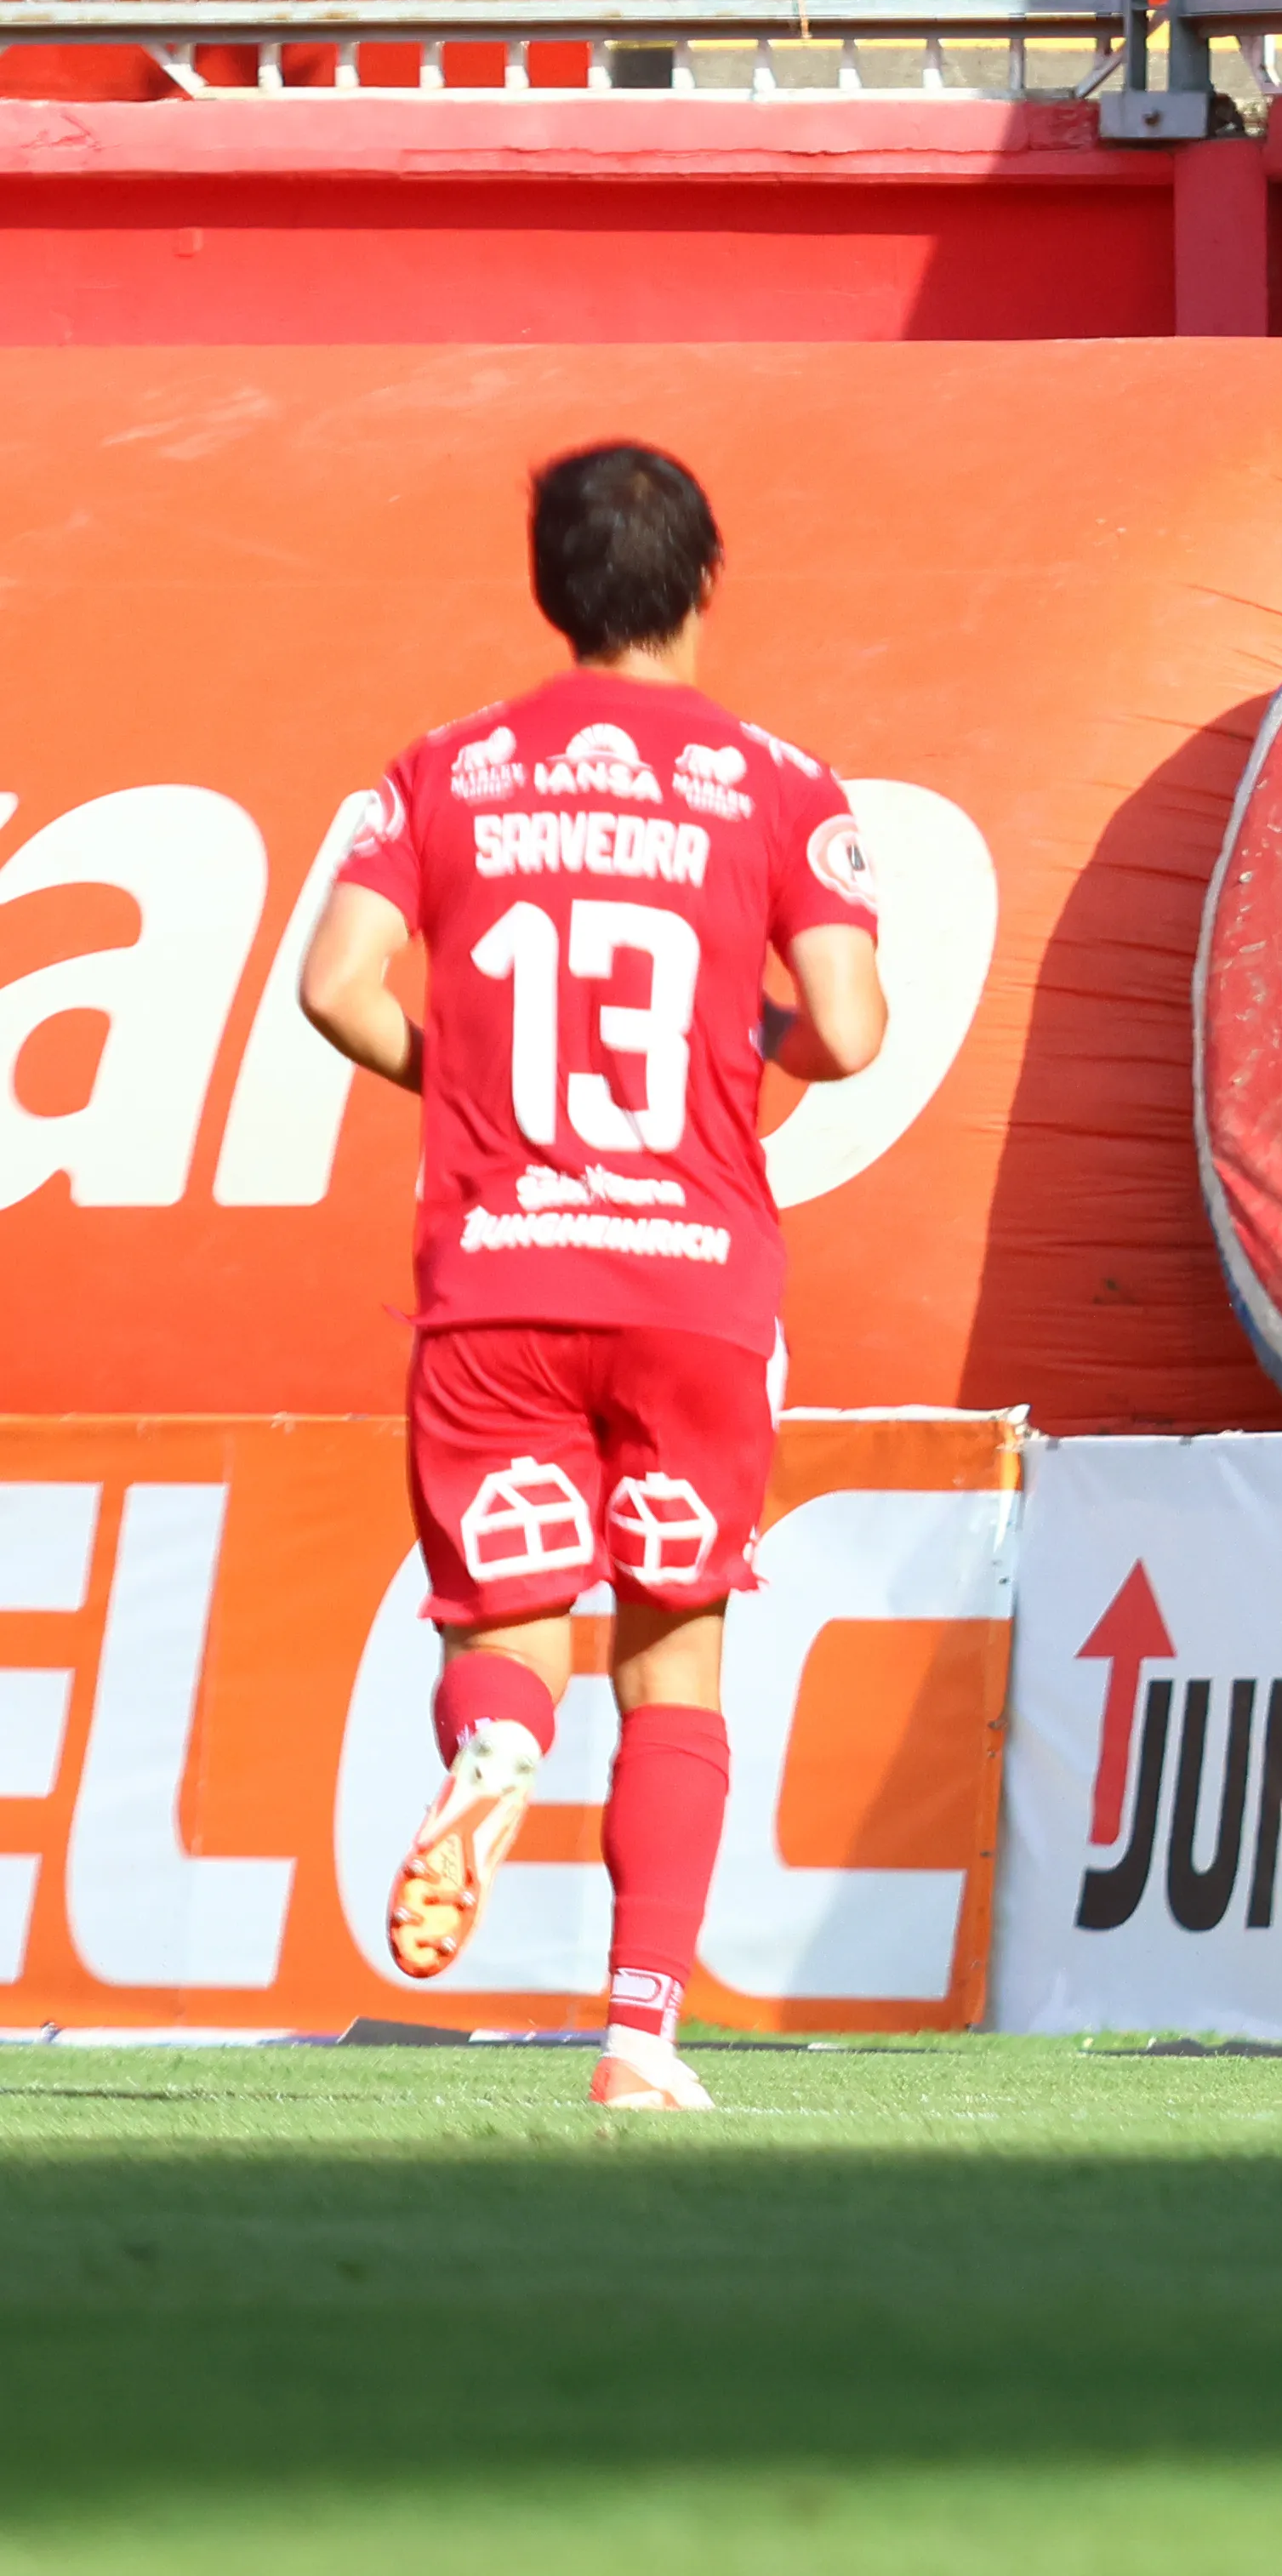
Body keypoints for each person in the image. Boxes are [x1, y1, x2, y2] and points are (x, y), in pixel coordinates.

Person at [299, 442, 888, 2114]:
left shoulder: (446, 770)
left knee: (508, 1632)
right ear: (705, 580)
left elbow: (335, 986)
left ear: (550, 590)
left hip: (498, 1272)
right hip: (692, 1281)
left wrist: (469, 1086)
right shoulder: (777, 782)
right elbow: (848, 1030)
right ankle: (639, 2034)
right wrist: (747, 1043)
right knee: (674, 1658)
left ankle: (496, 1745)